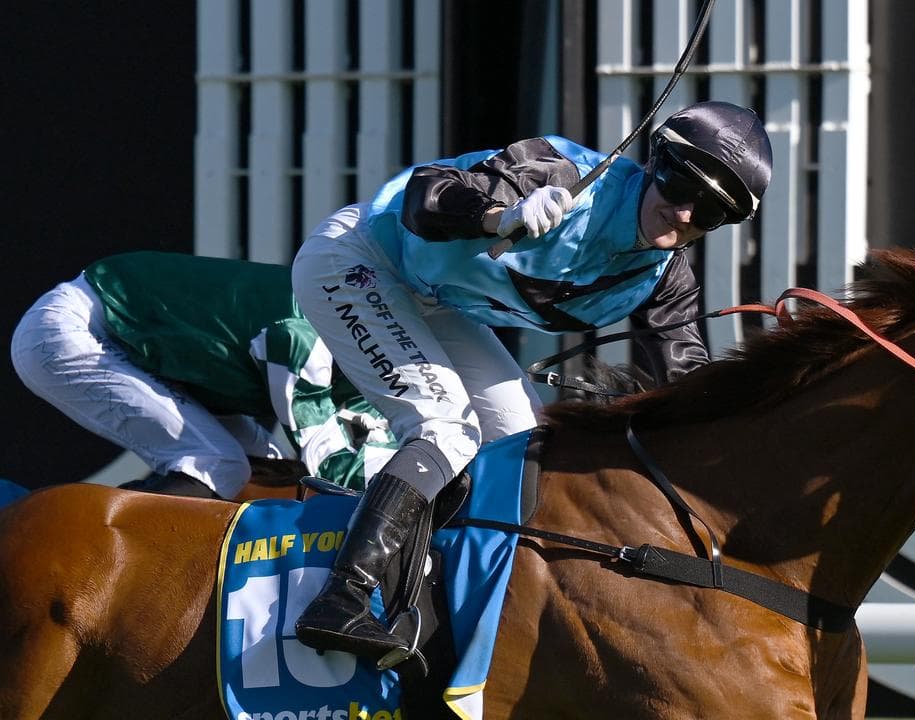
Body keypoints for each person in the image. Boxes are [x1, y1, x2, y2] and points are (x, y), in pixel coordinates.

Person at [291, 101, 773, 662]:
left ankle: (433, 593)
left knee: (521, 443)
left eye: (711, 211)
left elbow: (692, 395)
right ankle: (341, 597)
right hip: (360, 257)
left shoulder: (667, 279)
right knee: (446, 427)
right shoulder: (563, 173)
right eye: (679, 183)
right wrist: (498, 216)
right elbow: (426, 194)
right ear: (654, 161)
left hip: (434, 300)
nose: (685, 214)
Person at [10, 251, 396, 499]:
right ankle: (90, 563)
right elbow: (328, 465)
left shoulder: (358, 346)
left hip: (125, 338)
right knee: (220, 464)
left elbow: (370, 449)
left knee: (270, 471)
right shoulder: (304, 334)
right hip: (76, 331)